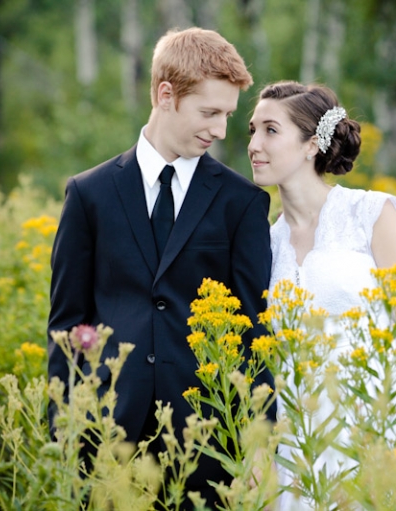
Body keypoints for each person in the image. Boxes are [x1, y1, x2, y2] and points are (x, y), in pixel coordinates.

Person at [47, 27, 274, 509]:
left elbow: (255, 329)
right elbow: (67, 324)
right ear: (166, 95)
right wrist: (62, 428)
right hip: (104, 435)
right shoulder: (89, 194)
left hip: (208, 442)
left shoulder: (242, 203)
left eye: (228, 115)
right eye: (209, 113)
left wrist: (260, 439)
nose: (221, 131)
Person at [248, 81, 396, 509]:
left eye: (271, 130)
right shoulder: (265, 242)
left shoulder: (371, 213)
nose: (254, 145)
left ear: (311, 144)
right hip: (302, 443)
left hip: (379, 424)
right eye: (252, 131)